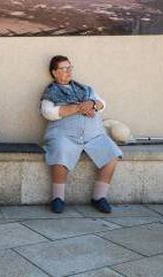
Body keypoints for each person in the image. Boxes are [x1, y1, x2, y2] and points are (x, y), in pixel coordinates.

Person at [40, 55, 122, 214]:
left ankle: (99, 197)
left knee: (111, 154)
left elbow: (102, 104)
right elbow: (48, 113)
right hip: (64, 135)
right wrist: (78, 108)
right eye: (63, 69)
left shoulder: (86, 89)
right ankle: (57, 198)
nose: (68, 71)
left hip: (93, 135)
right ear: (54, 72)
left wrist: (91, 104)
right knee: (60, 151)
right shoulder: (50, 92)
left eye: (69, 68)